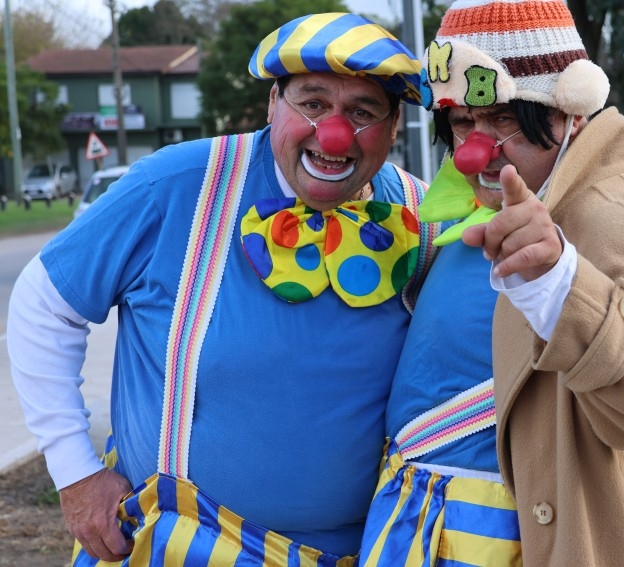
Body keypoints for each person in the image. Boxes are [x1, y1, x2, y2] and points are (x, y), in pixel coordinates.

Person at [7, 13, 438, 566]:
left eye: (362, 112)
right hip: (177, 548)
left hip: (356, 553)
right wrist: (75, 472)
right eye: (311, 103)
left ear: (395, 126)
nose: (333, 133)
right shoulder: (177, 185)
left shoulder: (420, 220)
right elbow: (43, 304)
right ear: (272, 105)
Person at [359, 1, 624, 566]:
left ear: (568, 113)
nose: (475, 149)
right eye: (461, 124)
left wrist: (562, 285)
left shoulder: (611, 217)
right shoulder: (481, 204)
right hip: (430, 524)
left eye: (504, 120)